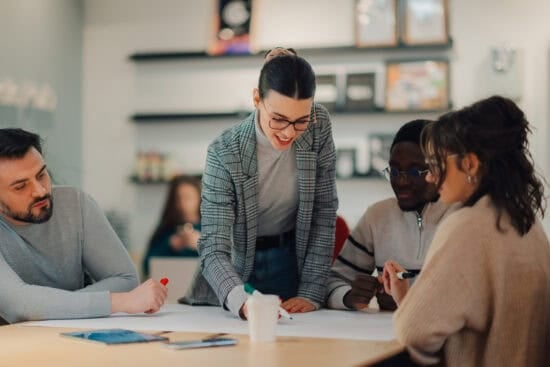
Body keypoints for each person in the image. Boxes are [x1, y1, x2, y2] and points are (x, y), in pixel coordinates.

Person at [383, 96, 550, 366]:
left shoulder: (469, 226)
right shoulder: (527, 222)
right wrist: (408, 298)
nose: (429, 177)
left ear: (470, 164)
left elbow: (412, 332)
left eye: (435, 164)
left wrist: (409, 309)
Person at [183, 54, 338, 318]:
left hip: (291, 258)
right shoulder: (225, 151)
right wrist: (240, 300)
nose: (289, 132)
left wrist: (311, 291)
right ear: (257, 99)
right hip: (236, 265)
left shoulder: (318, 124)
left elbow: (323, 213)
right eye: (278, 119)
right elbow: (213, 246)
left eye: (300, 121)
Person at [0, 128, 168, 323]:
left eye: (41, 175)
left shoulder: (75, 203)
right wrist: (120, 302)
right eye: (20, 186)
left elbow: (126, 279)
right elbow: (19, 306)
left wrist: (54, 306)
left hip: (76, 336)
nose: (40, 191)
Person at [326, 119, 457, 311]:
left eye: (414, 171)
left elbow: (477, 299)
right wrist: (349, 296)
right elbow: (332, 281)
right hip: (387, 337)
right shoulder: (377, 217)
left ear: (439, 170)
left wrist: (404, 298)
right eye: (394, 171)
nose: (401, 182)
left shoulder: (464, 218)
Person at [142, 175, 201, 276]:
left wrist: (203, 245)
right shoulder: (166, 230)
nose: (183, 203)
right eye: (178, 198)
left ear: (199, 198)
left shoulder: (211, 230)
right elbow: (147, 267)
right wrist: (170, 245)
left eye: (188, 198)